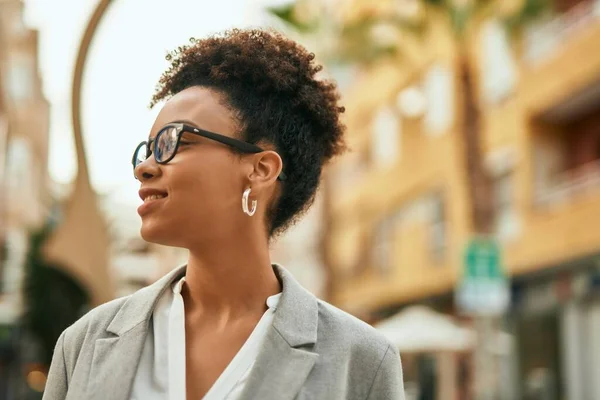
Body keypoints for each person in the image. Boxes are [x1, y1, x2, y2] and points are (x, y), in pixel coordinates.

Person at [42, 28, 404, 400]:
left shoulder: (361, 361)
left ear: (261, 169)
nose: (145, 167)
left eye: (172, 142)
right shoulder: (83, 343)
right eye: (147, 149)